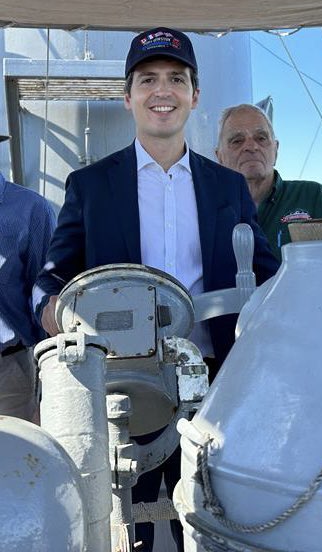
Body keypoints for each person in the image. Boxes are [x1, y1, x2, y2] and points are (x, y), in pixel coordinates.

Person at [33, 27, 278, 552]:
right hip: (124, 390)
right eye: (148, 79)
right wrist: (50, 307)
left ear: (194, 95)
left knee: (220, 518)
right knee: (131, 523)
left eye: (176, 78)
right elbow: (51, 278)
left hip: (217, 385)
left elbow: (268, 273)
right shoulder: (91, 186)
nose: (161, 90)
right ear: (128, 97)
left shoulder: (227, 187)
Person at [216, 103, 322, 260]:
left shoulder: (315, 198)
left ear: (275, 150)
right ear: (219, 157)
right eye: (237, 141)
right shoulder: (203, 213)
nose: (251, 146)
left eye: (261, 138)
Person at [0, 154, 56, 423]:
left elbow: (46, 290)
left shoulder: (31, 209)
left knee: (14, 460)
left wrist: (49, 386)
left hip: (10, 374)